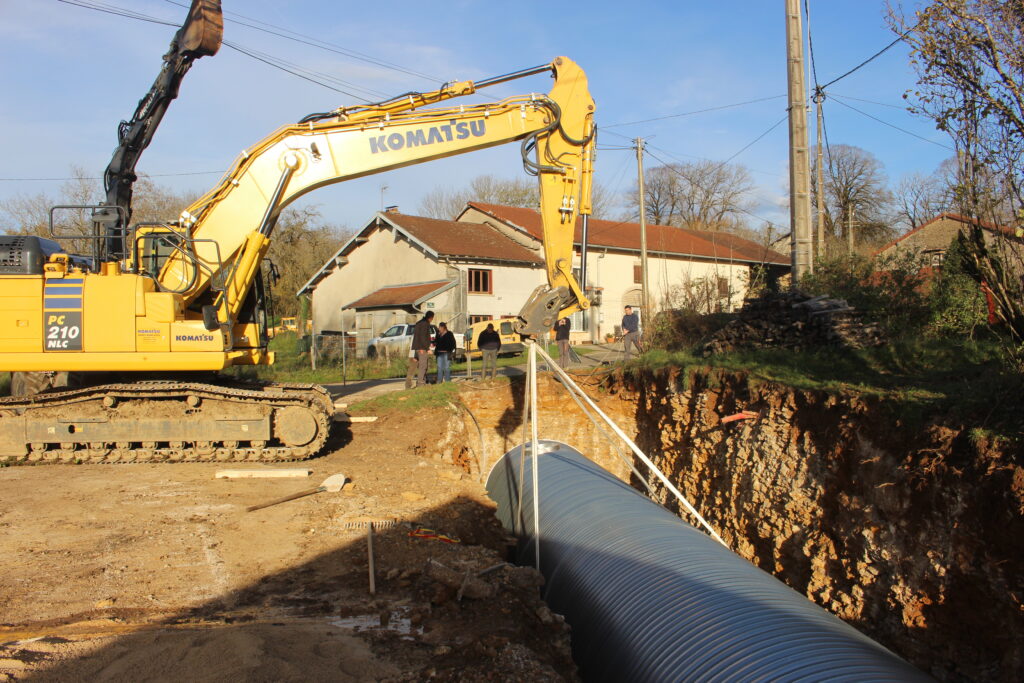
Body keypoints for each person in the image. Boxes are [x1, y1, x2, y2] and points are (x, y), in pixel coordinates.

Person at [410, 310, 434, 387]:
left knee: (422, 367)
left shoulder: (419, 323)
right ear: (430, 317)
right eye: (432, 318)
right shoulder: (425, 324)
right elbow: (423, 337)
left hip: (417, 348)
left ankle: (422, 382)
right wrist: (427, 349)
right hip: (422, 349)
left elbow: (416, 338)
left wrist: (415, 354)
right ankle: (420, 384)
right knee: (423, 367)